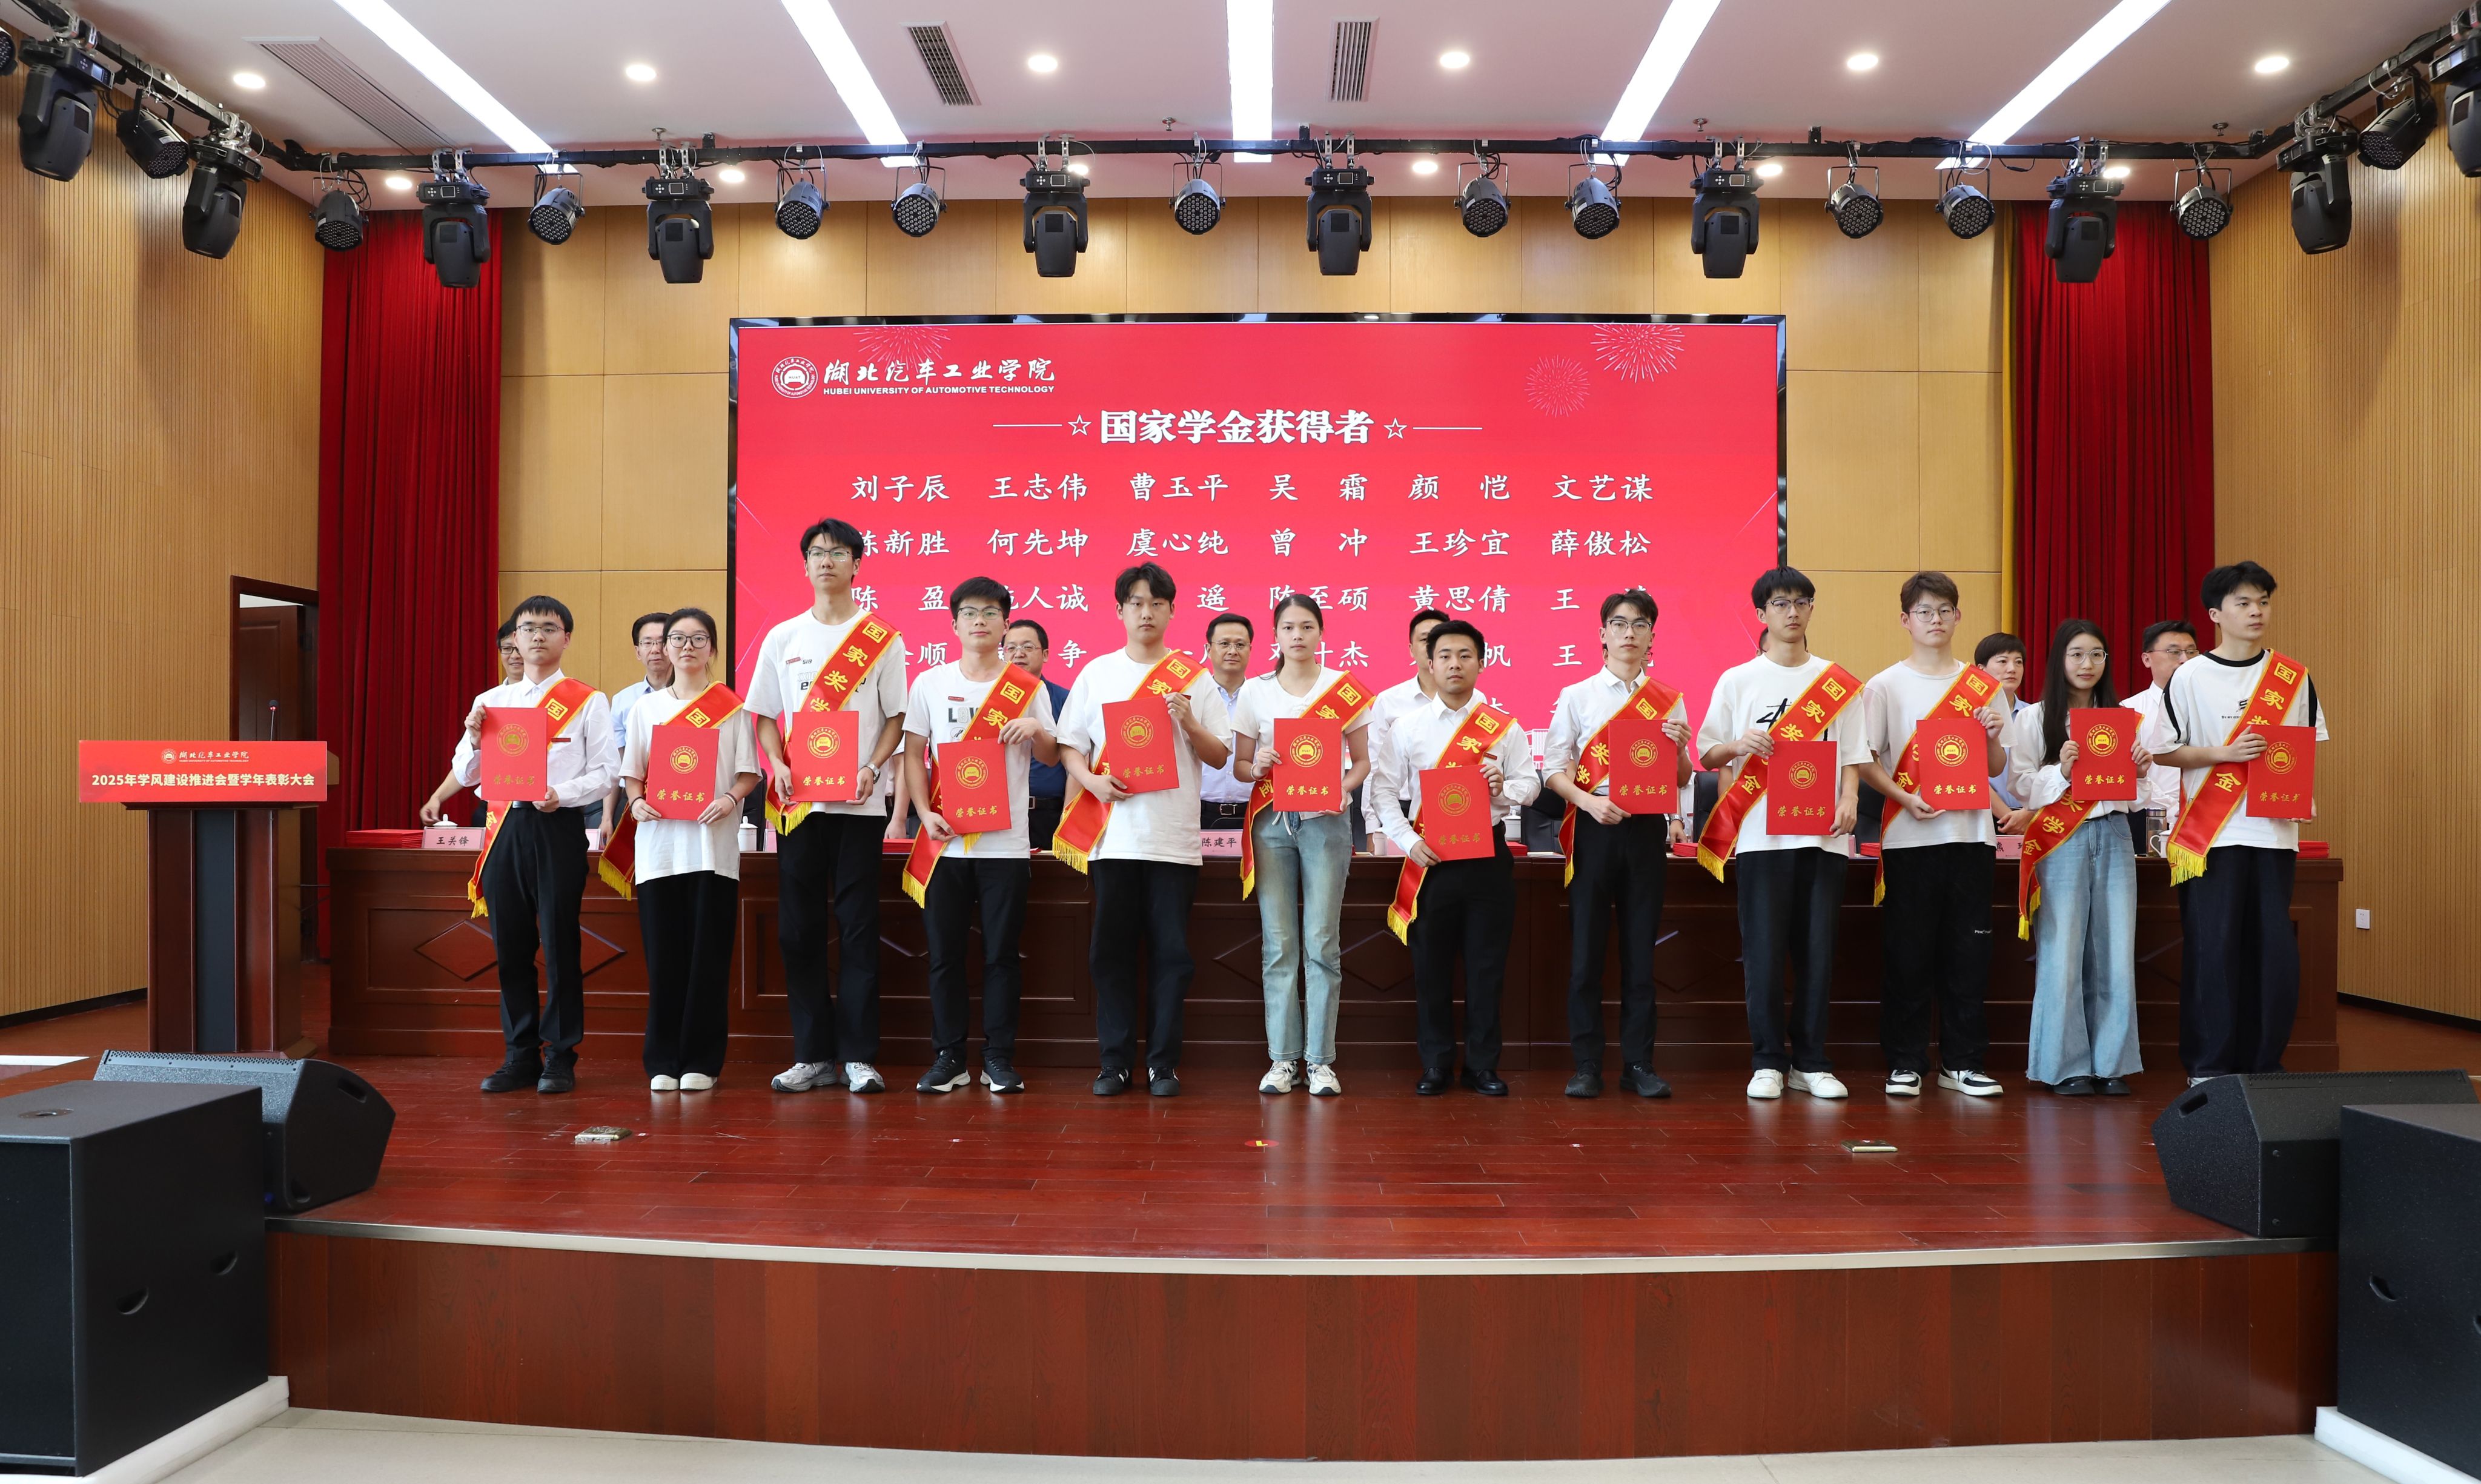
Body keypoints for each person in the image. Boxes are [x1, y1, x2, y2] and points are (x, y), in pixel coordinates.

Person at [1053, 563, 1233, 1097]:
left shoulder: (1193, 678)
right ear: (1120, 611)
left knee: (1172, 956)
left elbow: (1219, 755)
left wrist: (1189, 721)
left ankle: (1163, 1064)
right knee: (1110, 954)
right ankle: (1113, 1063)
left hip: (1173, 842)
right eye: (1136, 603)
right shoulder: (1098, 672)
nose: (1146, 612)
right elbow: (1070, 745)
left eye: (1157, 603)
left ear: (1173, 611)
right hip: (1112, 839)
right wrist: (1092, 781)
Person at [747, 517, 907, 1097]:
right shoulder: (783, 637)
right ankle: (812, 1055)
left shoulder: (881, 639)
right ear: (805, 564)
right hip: (800, 808)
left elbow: (896, 718)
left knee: (860, 928)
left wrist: (872, 768)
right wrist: (777, 763)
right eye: (817, 552)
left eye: (838, 553)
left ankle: (859, 1056)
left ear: (857, 564)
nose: (826, 561)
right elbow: (765, 715)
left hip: (859, 807)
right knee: (799, 930)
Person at [1694, 567, 1867, 1102]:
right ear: (1761, 614)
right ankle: (1768, 1060)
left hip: (1824, 836)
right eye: (1780, 603)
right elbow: (1707, 753)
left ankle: (1811, 1063)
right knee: (1765, 953)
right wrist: (1739, 745)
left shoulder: (1836, 682)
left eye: (1801, 602)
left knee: (1818, 952)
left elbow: (1854, 755)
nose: (1792, 612)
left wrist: (1850, 799)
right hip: (1760, 839)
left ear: (1812, 608)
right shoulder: (1738, 680)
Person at [2155, 561, 2327, 1082]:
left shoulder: (2293, 677)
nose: (2257, 612)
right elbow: (2164, 751)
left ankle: (2264, 1063)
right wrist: (2223, 753)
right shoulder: (2189, 676)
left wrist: (2302, 797)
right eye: (2244, 603)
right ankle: (2208, 1065)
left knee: (2273, 953)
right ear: (2215, 614)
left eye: (2264, 602)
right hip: (2212, 837)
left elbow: (2303, 749)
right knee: (2214, 949)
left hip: (2274, 834)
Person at [450, 596, 616, 1095]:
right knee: (511, 945)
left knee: (561, 944)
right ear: (515, 640)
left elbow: (606, 773)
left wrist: (561, 794)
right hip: (503, 827)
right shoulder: (490, 701)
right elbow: (466, 775)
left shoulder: (588, 700)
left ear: (566, 638)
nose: (538, 636)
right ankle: (519, 1055)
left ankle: (561, 1055)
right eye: (528, 629)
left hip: (557, 826)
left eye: (549, 628)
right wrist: (474, 740)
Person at [1856, 572, 2010, 1099]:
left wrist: (1992, 736)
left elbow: (1996, 766)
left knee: (1970, 953)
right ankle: (1906, 1061)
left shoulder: (1982, 686)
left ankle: (1962, 1063)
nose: (1935, 620)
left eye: (1945, 610)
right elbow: (1866, 761)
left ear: (1958, 616)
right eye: (1924, 611)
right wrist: (1904, 798)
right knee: (1909, 953)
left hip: (1971, 837)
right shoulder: (1884, 686)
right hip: (1909, 836)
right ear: (1906, 620)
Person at [901, 578, 1058, 1095]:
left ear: (1005, 624)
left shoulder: (1026, 687)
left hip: (1005, 845)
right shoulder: (930, 682)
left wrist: (1035, 729)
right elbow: (914, 754)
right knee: (944, 954)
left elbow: (1052, 756)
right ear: (954, 624)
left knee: (1001, 956)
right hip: (944, 839)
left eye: (991, 613)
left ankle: (998, 1057)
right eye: (970, 613)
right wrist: (924, 813)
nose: (980, 621)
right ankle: (949, 1056)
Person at [1371, 618, 1538, 1097]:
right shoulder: (1408, 727)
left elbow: (1531, 785)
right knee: (1431, 968)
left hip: (1488, 859)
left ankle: (1483, 1066)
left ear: (1482, 663)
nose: (1454, 664)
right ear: (1429, 663)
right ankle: (1436, 1063)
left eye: (1465, 655)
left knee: (1487, 968)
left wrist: (1503, 786)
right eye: (1444, 655)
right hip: (1431, 861)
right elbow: (1382, 792)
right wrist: (1408, 840)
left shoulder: (1503, 728)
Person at [1542, 589, 1692, 1099]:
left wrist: (1680, 748)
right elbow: (1553, 770)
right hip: (1596, 826)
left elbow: (1682, 777)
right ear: (1603, 634)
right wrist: (1589, 803)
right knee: (1587, 952)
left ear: (1652, 637)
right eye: (1620, 624)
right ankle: (1586, 1065)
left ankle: (1639, 1065)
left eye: (1641, 624)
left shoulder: (1668, 699)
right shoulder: (1577, 695)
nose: (1630, 633)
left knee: (1640, 954)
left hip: (1647, 829)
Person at [1229, 594, 1372, 1098]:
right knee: (1279, 944)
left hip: (1327, 824)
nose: (1298, 635)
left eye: (1307, 627)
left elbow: (1362, 762)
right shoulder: (1255, 691)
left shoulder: (1342, 689)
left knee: (1322, 941)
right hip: (1271, 822)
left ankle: (1320, 1062)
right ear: (1276, 636)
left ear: (1321, 633)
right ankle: (1283, 1059)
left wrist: (1342, 789)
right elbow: (1240, 767)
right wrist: (1259, 766)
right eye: (1288, 627)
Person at [2004, 620, 2150, 1095]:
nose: (2088, 664)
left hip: (2114, 833)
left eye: (2097, 654)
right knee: (2063, 951)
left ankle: (2111, 1064)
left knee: (2115, 951)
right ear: (2059, 660)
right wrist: (2062, 773)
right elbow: (2020, 787)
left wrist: (2140, 772)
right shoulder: (2034, 718)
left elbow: (2138, 798)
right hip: (2059, 839)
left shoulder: (2123, 719)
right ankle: (2064, 1066)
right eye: (2077, 654)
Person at [617, 608, 760, 1092]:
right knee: (664, 960)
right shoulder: (646, 709)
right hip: (659, 851)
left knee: (708, 959)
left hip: (712, 850)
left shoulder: (732, 708)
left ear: (713, 649)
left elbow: (747, 772)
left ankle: (702, 1060)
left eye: (699, 639)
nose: (687, 647)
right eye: (677, 638)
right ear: (664, 647)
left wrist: (730, 799)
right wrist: (636, 801)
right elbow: (633, 773)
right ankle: (662, 1059)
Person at [1361, 608, 1452, 849]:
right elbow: (1374, 767)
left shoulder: (1475, 702)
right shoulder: (1389, 701)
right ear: (1411, 649)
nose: (1432, 646)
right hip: (1398, 812)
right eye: (1425, 639)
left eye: (1440, 639)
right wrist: (1372, 828)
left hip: (1455, 809)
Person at [421, 621, 523, 827]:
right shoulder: (487, 701)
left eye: (519, 649)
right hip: (493, 811)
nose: (514, 656)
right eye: (507, 649)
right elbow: (468, 761)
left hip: (540, 811)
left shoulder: (555, 700)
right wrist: (437, 797)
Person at [2125, 619, 2199, 850]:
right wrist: (2174, 808)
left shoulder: (2213, 708)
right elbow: (2131, 774)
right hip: (2148, 819)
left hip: (2207, 820)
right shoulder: (2128, 711)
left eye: (2191, 652)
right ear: (2147, 659)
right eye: (2174, 652)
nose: (2185, 660)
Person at [1004, 618, 1072, 851]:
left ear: (1045, 655)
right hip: (1000, 812)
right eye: (1011, 648)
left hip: (1048, 813)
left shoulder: (1065, 699)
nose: (1019, 654)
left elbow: (1075, 759)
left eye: (1027, 647)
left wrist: (1069, 815)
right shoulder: (989, 701)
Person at [606, 612, 675, 829]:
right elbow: (617, 762)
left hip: (678, 795)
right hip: (632, 800)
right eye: (647, 643)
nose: (655, 649)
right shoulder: (623, 700)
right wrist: (606, 817)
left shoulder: (694, 699)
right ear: (638, 651)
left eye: (662, 642)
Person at [1197, 612, 1256, 834]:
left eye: (1240, 645)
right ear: (1208, 649)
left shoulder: (1262, 697)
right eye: (1224, 644)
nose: (1232, 651)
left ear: (1250, 649)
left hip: (1255, 811)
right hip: (1199, 812)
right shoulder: (1193, 697)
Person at [1975, 632, 2032, 829]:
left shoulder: (2035, 714)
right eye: (2002, 661)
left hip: (2032, 817)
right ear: (1981, 669)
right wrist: (2007, 817)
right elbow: (1971, 777)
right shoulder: (1970, 717)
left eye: (2018, 662)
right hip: (1985, 818)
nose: (2012, 669)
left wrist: (2028, 814)